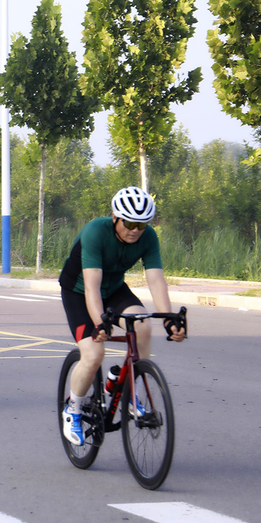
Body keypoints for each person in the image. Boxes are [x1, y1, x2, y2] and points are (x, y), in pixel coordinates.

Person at [59, 186, 186, 446]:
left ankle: (128, 390)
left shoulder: (148, 237)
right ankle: (73, 408)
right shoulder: (96, 231)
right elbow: (92, 287)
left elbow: (156, 279)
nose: (135, 230)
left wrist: (169, 318)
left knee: (143, 326)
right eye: (129, 223)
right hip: (79, 291)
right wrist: (100, 324)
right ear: (115, 217)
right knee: (94, 354)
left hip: (114, 289)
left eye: (142, 224)